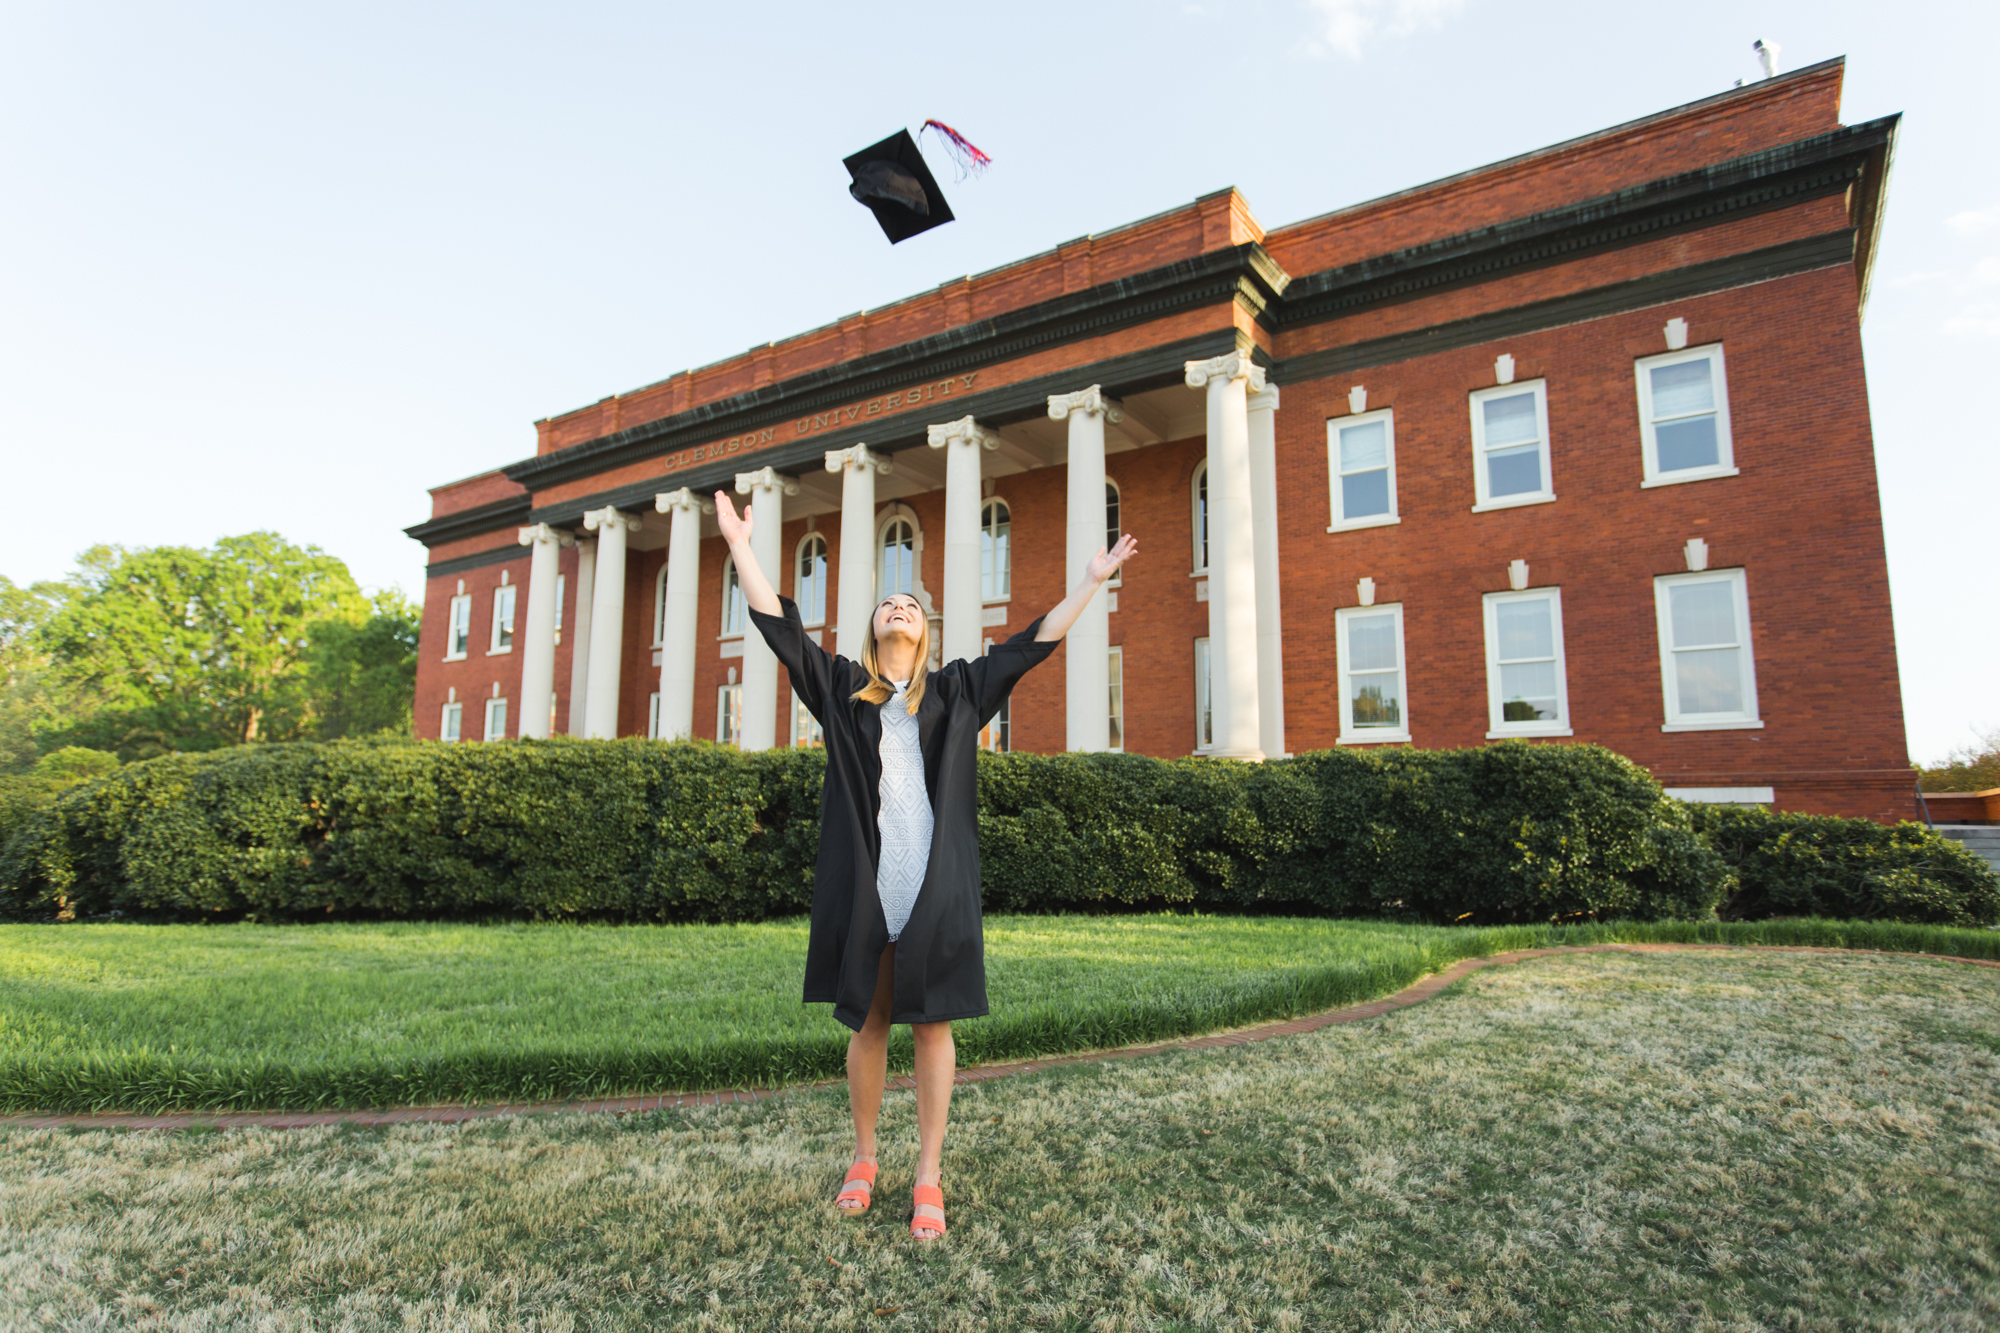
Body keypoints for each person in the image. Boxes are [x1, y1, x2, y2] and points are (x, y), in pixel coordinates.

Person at [717, 490, 1136, 1240]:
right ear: (876, 629)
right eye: (889, 603)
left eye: (911, 603)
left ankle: (929, 1173)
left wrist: (1093, 580)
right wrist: (742, 545)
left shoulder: (956, 692)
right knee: (872, 1022)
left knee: (933, 1026)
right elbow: (781, 631)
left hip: (933, 886)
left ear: (926, 628)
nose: (899, 607)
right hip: (872, 887)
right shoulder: (845, 691)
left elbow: (1031, 645)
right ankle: (865, 1157)